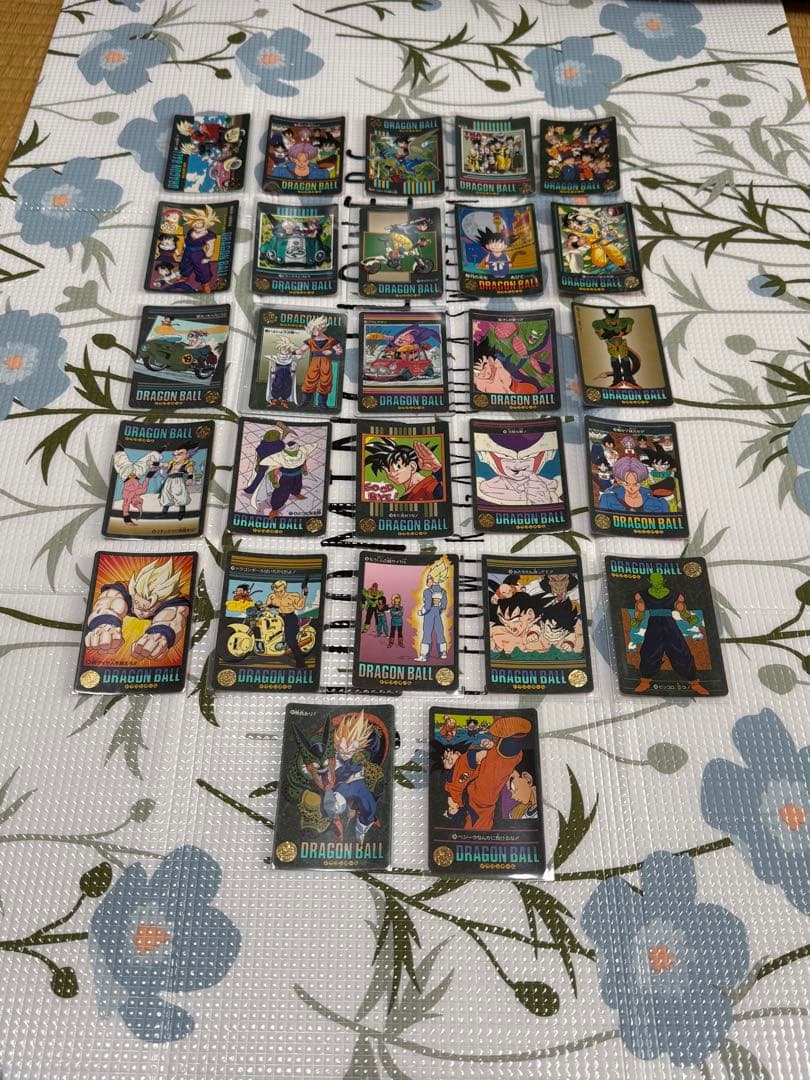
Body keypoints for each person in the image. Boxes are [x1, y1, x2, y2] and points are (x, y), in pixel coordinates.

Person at [83, 558, 189, 661]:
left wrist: (160, 635)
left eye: (148, 609)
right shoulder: (124, 590)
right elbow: (108, 602)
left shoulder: (174, 602)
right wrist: (104, 625)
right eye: (137, 604)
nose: (141, 612)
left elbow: (173, 617)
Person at [631, 572, 709, 695]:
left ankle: (694, 683)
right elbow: (639, 609)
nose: (657, 583)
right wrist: (637, 620)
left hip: (670, 625)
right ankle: (645, 681)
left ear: (663, 580)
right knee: (649, 651)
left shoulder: (674, 594)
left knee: (681, 650)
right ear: (650, 581)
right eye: (654, 581)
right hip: (654, 626)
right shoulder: (642, 595)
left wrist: (689, 618)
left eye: (659, 580)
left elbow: (681, 608)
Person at [416, 556, 450, 662]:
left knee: (427, 633)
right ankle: (443, 653)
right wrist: (438, 610)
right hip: (437, 613)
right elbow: (444, 605)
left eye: (429, 578)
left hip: (429, 614)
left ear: (433, 579)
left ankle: (423, 655)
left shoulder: (428, 591)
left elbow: (427, 606)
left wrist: (421, 612)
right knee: (440, 632)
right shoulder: (443, 591)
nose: (427, 581)